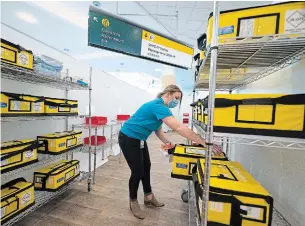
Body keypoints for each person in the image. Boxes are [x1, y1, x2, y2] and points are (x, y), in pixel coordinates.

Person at [118, 84, 221, 219]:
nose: (176, 102)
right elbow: (178, 127)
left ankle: (148, 196)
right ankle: (133, 201)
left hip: (139, 139)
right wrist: (204, 142)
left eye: (178, 99)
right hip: (129, 138)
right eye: (176, 98)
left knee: (146, 166)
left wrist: (167, 142)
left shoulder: (162, 108)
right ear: (167, 94)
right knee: (137, 171)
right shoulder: (157, 106)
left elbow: (158, 130)